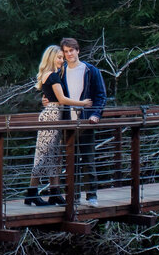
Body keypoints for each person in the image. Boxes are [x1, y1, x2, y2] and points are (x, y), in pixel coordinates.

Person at [27, 44, 92, 206]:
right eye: (59, 57)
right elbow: (61, 99)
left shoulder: (52, 75)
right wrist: (82, 103)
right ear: (51, 58)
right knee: (43, 155)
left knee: (55, 156)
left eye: (62, 57)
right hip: (52, 116)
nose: (62, 60)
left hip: (55, 115)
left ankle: (54, 192)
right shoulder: (53, 76)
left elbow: (50, 96)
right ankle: (31, 193)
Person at [59, 37, 107, 203]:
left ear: (77, 50)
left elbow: (101, 95)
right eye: (66, 51)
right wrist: (46, 99)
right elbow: (57, 94)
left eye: (71, 50)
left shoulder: (90, 70)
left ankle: (92, 195)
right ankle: (73, 197)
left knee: (88, 159)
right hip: (68, 122)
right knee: (70, 161)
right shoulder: (61, 71)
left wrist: (96, 114)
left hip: (86, 121)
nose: (69, 54)